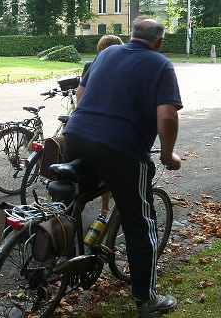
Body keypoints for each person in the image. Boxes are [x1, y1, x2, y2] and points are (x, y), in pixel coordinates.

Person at [63, 18, 182, 318]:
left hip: (75, 135)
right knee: (140, 224)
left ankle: (54, 261)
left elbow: (81, 94)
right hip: (121, 148)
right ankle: (147, 300)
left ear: (130, 36)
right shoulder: (161, 64)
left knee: (69, 200)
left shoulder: (105, 54)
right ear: (160, 42)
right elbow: (167, 117)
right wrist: (168, 155)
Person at [79, 33, 124, 216]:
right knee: (108, 170)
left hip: (82, 124)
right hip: (107, 127)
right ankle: (105, 209)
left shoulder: (91, 65)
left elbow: (80, 93)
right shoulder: (122, 67)